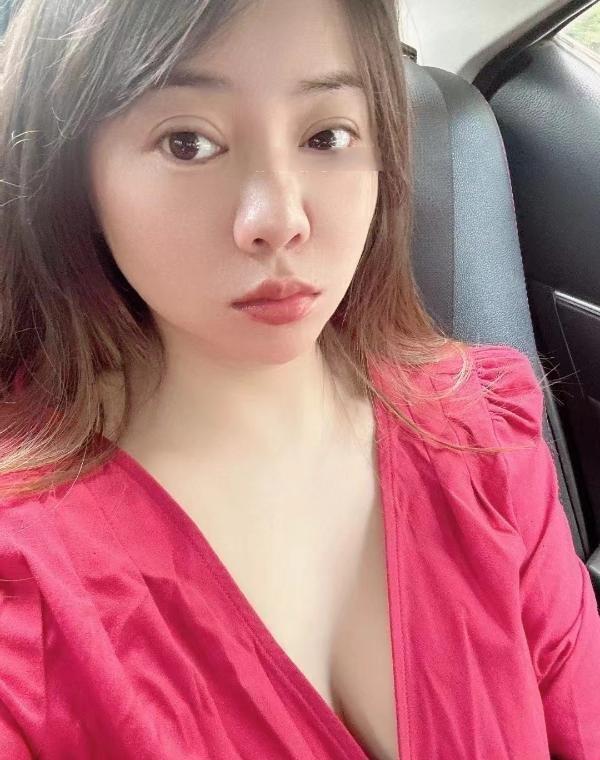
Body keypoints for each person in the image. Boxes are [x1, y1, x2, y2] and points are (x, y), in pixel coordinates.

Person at [1, 0, 599, 758]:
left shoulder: (483, 428)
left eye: (327, 136)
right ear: (75, 177)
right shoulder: (25, 584)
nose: (279, 217)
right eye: (188, 142)